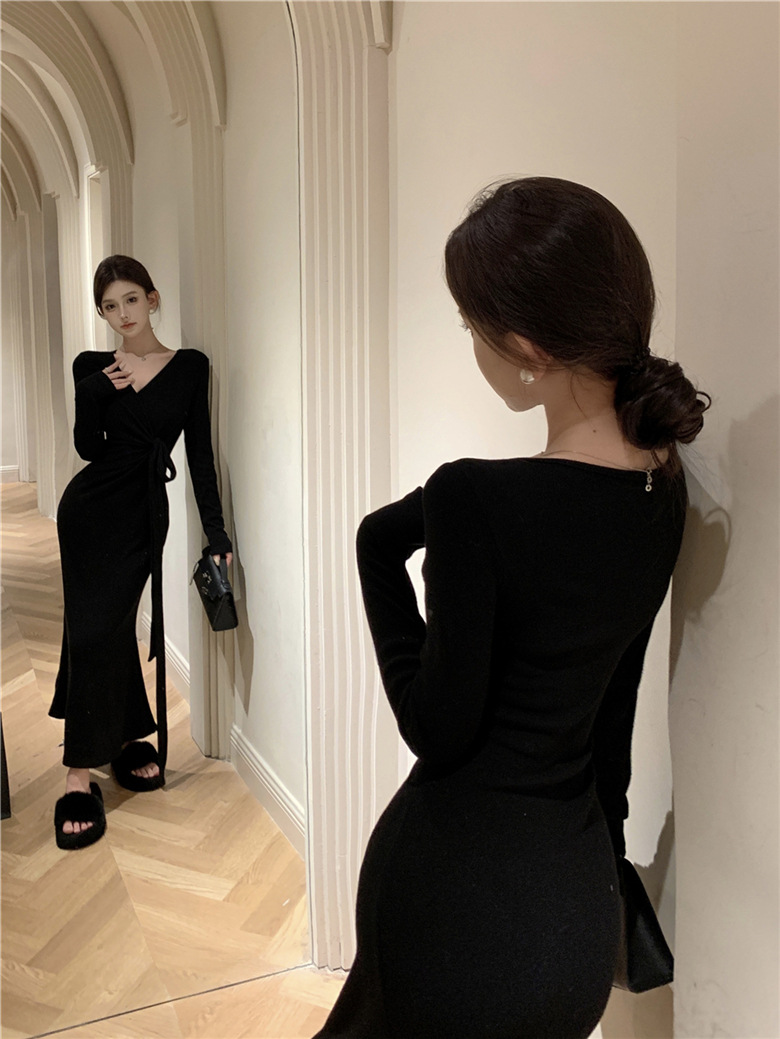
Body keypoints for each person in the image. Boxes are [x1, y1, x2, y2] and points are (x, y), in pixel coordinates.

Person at [313, 178, 709, 1038]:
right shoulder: (662, 483)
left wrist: (391, 542)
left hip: (455, 911)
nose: (472, 344)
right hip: (573, 915)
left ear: (526, 347)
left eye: (472, 326)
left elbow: (438, 726)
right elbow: (612, 724)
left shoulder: (476, 499)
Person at [51, 255, 233, 851]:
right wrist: (94, 390)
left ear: (152, 299)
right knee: (91, 632)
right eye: (110, 306)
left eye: (131, 299)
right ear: (102, 313)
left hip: (142, 518)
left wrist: (216, 536)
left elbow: (200, 456)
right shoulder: (93, 366)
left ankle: (128, 736)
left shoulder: (190, 367)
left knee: (110, 627)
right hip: (88, 513)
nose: (123, 314)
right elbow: (88, 448)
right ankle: (78, 774)